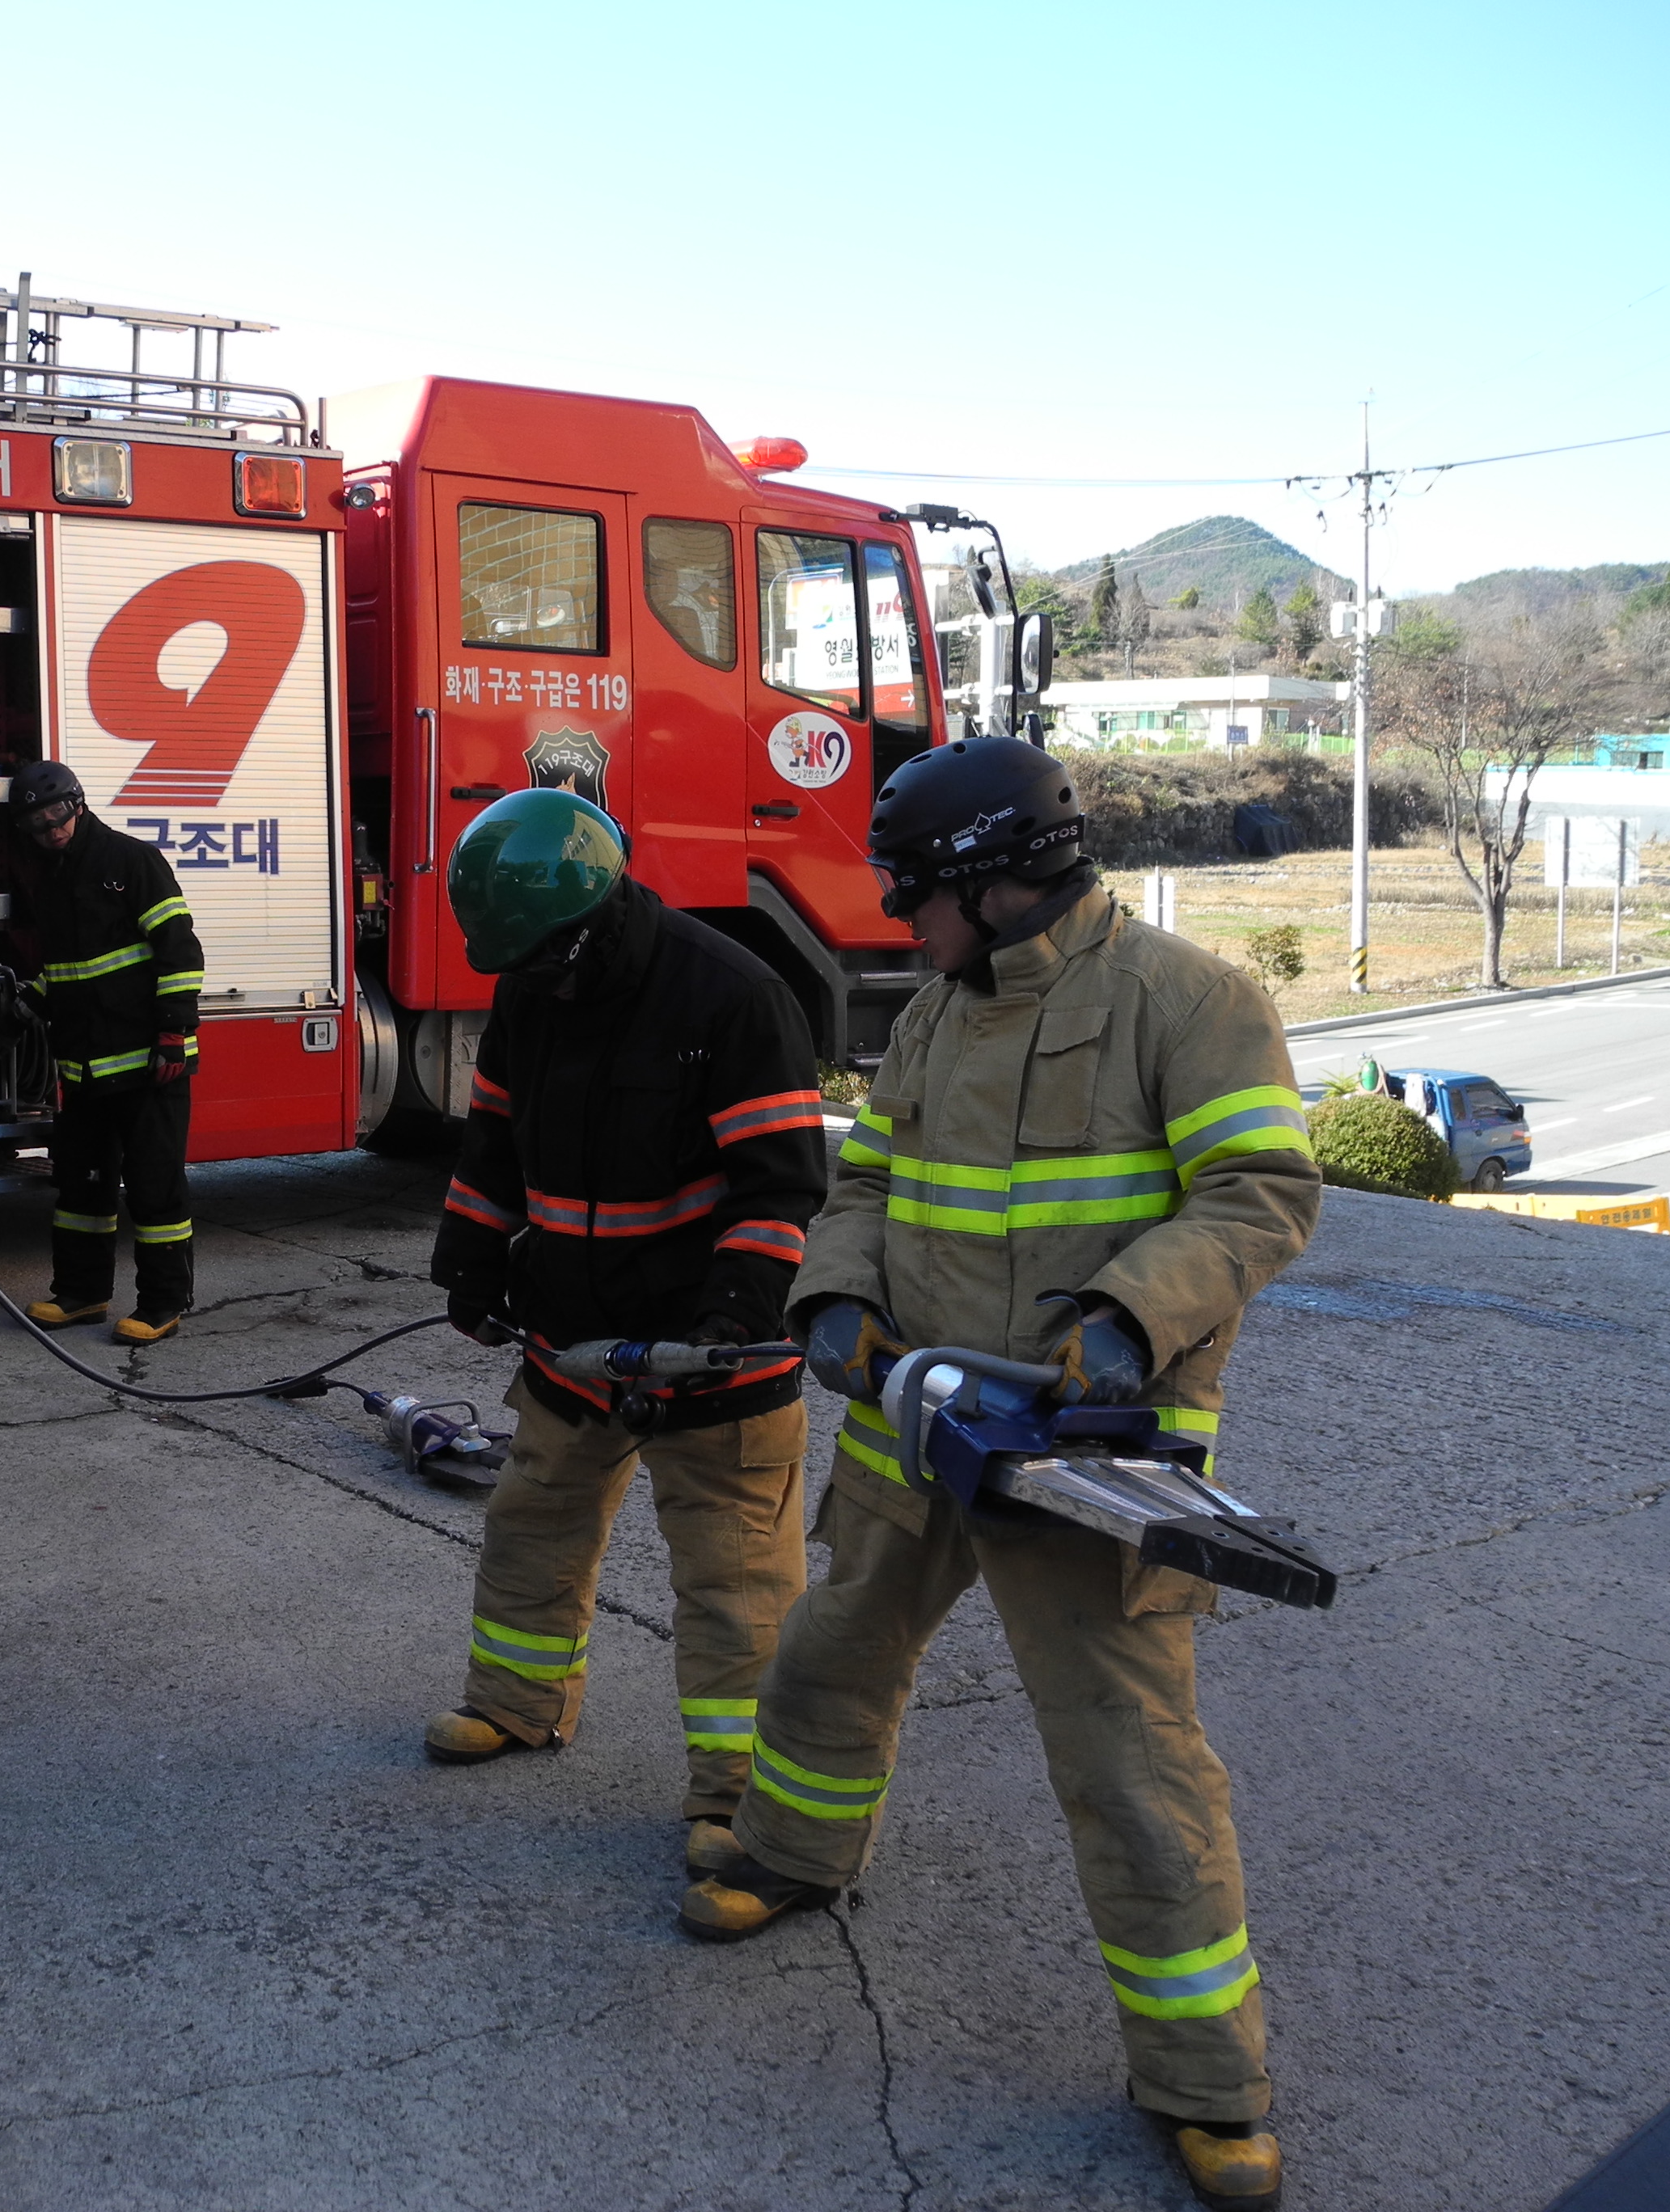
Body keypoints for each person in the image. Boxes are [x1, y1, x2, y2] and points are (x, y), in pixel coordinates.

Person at [679, 737, 1321, 2212]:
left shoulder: (1187, 1000)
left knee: (1127, 1756)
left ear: (989, 877)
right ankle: (788, 1857)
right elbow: (866, 1178)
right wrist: (835, 1293)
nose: (898, 920)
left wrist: (1128, 1318)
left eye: (913, 892)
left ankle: (1208, 2085)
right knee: (831, 1657)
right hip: (913, 1424)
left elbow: (1259, 1194)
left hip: (1082, 1453)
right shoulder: (936, 1013)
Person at [421, 789, 828, 1876]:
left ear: (596, 918)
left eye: (546, 962)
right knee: (532, 1528)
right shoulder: (533, 984)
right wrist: (470, 1260)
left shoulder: (733, 996)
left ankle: (743, 1804)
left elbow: (781, 1184)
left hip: (709, 1346)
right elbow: (493, 1142)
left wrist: (736, 1311)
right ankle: (516, 1704)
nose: (537, 983)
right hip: (572, 1335)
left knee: (736, 1586)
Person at [9, 761, 205, 1345]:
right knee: (82, 1189)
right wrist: (24, 1005)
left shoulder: (131, 861)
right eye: (38, 823)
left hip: (149, 1065)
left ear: (79, 804)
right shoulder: (51, 880)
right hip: (86, 1069)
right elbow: (67, 971)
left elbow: (179, 950)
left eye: (58, 815)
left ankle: (163, 1304)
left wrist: (173, 1033)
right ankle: (81, 1293)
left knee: (154, 1189)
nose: (52, 830)